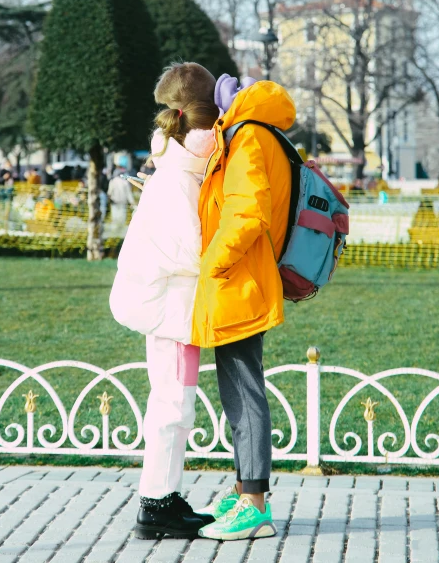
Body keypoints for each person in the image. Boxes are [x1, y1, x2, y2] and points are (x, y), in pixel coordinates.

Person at [152, 62, 295, 542]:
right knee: (238, 389)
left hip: (238, 280)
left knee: (244, 391)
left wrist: (212, 263)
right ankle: (244, 492)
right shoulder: (244, 129)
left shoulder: (248, 135)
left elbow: (247, 212)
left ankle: (255, 504)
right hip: (237, 279)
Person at [109, 93, 219, 540]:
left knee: (172, 403)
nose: (219, 139)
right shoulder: (177, 180)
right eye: (215, 130)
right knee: (174, 406)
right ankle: (157, 504)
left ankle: (164, 498)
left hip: (175, 309)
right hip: (173, 311)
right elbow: (191, 251)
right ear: (195, 133)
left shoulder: (174, 172)